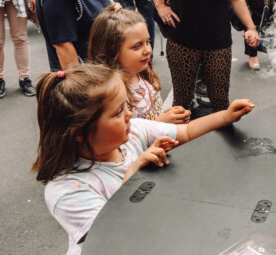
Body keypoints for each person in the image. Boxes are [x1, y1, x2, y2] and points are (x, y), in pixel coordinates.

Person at [32, 63, 254, 255]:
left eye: (126, 105)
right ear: (79, 132)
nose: (129, 114)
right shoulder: (65, 190)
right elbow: (110, 237)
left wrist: (225, 116)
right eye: (118, 112)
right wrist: (133, 176)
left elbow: (185, 133)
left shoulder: (134, 132)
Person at [88, 3, 191, 123]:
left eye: (147, 41)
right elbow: (126, 137)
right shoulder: (113, 96)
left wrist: (169, 114)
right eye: (137, 46)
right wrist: (160, 123)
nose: (148, 50)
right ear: (111, 51)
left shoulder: (143, 74)